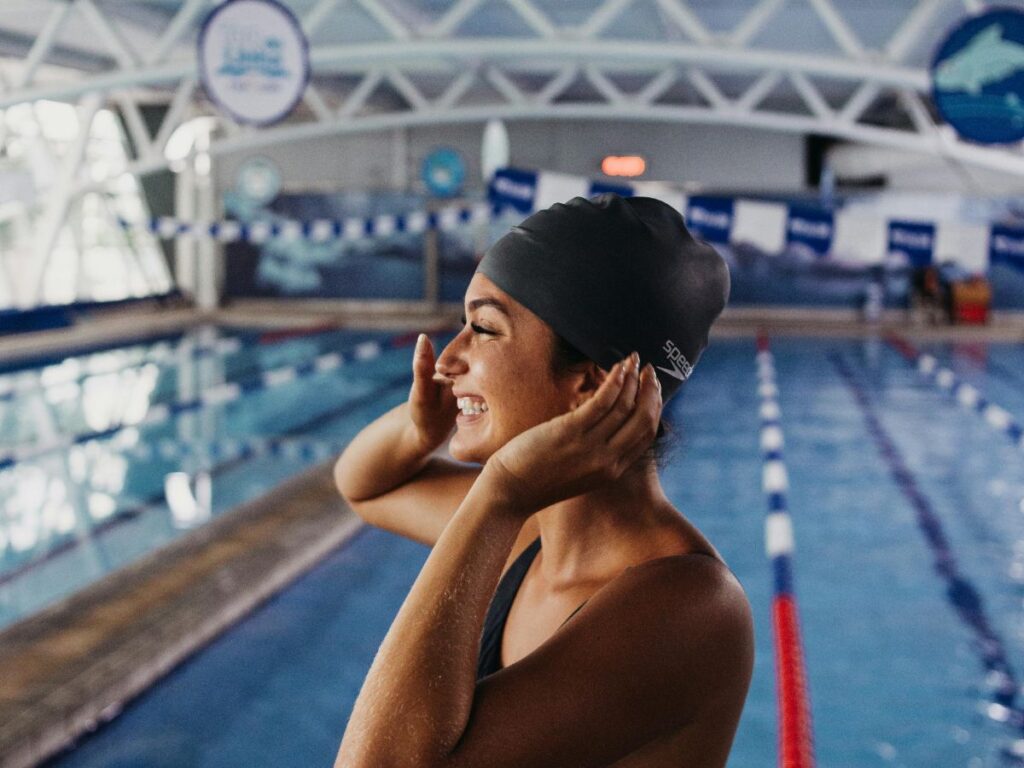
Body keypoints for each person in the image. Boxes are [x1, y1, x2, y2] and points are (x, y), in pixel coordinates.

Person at [333, 194, 754, 768]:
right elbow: (365, 488)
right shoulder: (534, 537)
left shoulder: (690, 610)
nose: (447, 359)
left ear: (591, 382)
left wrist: (500, 491)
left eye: (482, 328)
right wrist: (417, 428)